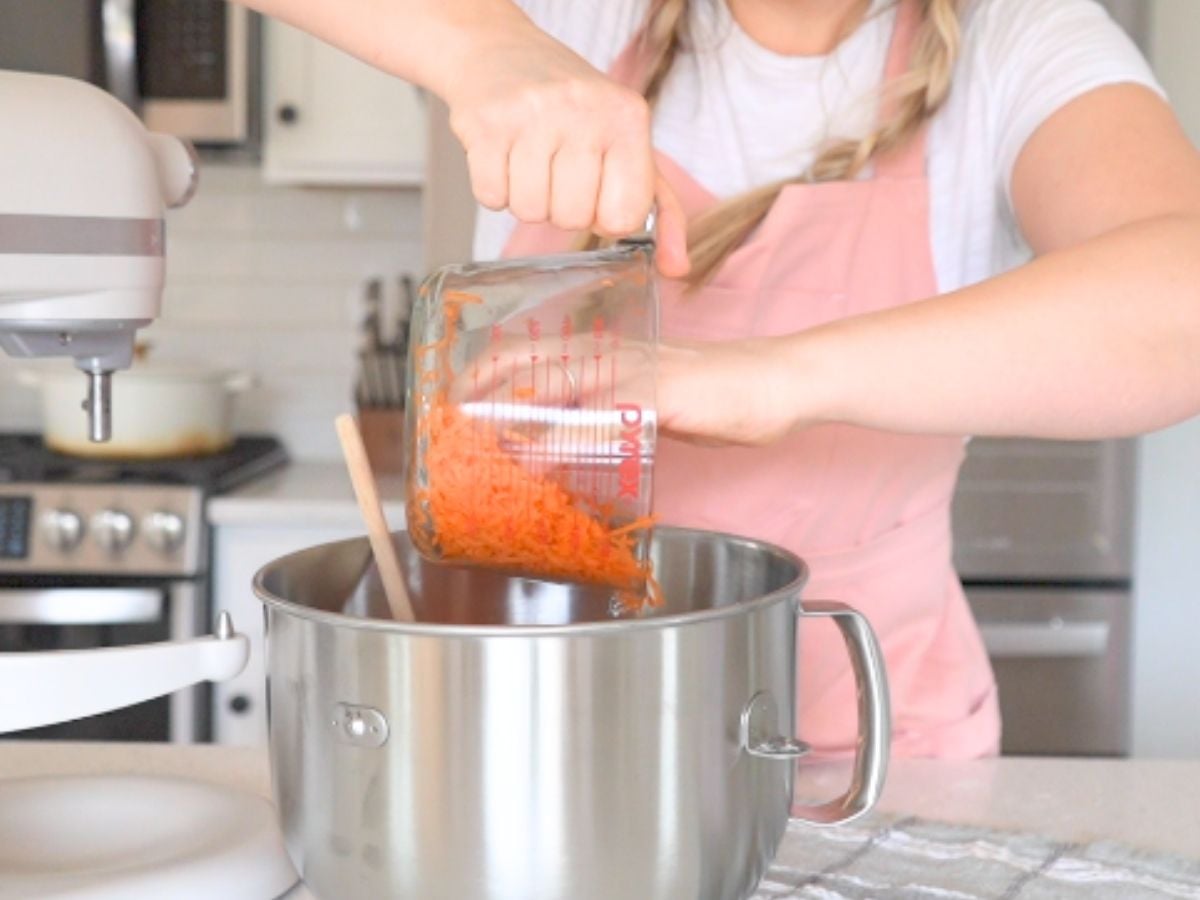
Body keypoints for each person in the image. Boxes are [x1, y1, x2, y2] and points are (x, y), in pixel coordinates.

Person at [241, 0, 1200, 758]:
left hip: (864, 753)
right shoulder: (576, 19)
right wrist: (484, 45)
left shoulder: (1019, 42)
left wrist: (770, 381)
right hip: (539, 736)